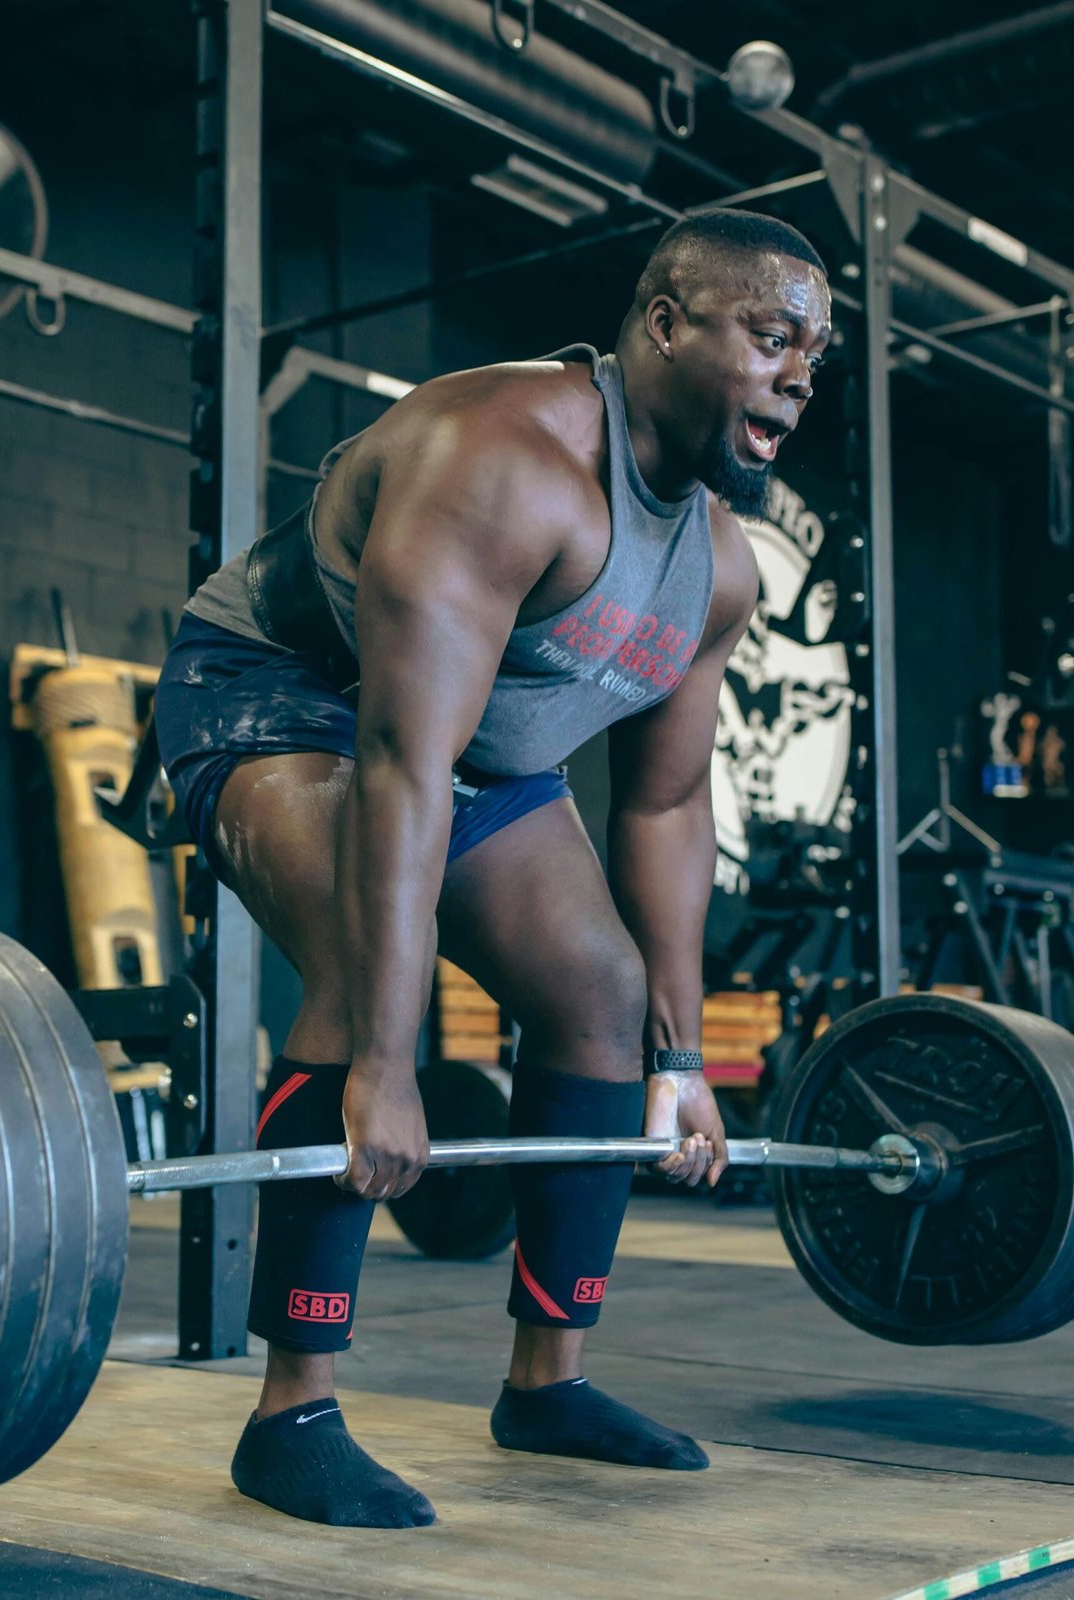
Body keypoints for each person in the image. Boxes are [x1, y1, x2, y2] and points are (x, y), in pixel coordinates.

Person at [153, 207, 831, 1527]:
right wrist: (384, 1071)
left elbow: (671, 801)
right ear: (666, 324)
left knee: (595, 988)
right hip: (285, 695)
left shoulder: (721, 570)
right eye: (772, 335)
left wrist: (678, 1064)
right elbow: (402, 763)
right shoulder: (502, 459)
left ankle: (546, 1384)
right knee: (366, 962)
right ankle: (292, 1406)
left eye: (817, 352)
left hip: (468, 751)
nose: (802, 373)